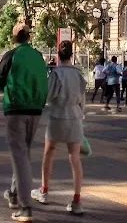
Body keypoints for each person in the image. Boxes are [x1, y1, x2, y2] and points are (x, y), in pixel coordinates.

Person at [0, 22, 48, 222]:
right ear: (29, 36)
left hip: (16, 110)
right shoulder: (38, 56)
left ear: (15, 36)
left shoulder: (11, 55)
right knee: (23, 153)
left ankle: (25, 207)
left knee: (20, 157)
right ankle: (13, 193)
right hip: (36, 110)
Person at [31, 40, 86, 216]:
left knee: (49, 152)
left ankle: (44, 190)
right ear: (72, 54)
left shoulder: (56, 74)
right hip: (75, 116)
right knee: (75, 158)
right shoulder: (79, 74)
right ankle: (76, 200)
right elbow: (82, 98)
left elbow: (48, 95)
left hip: (57, 116)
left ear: (58, 54)